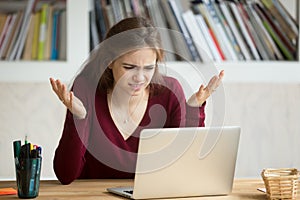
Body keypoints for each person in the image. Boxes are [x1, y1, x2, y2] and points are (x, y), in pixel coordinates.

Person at [49, 16, 224, 185]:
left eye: (148, 68)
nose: (139, 78)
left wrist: (194, 110)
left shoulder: (169, 93)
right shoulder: (86, 89)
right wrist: (78, 117)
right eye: (129, 67)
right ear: (110, 61)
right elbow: (66, 175)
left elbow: (186, 169)